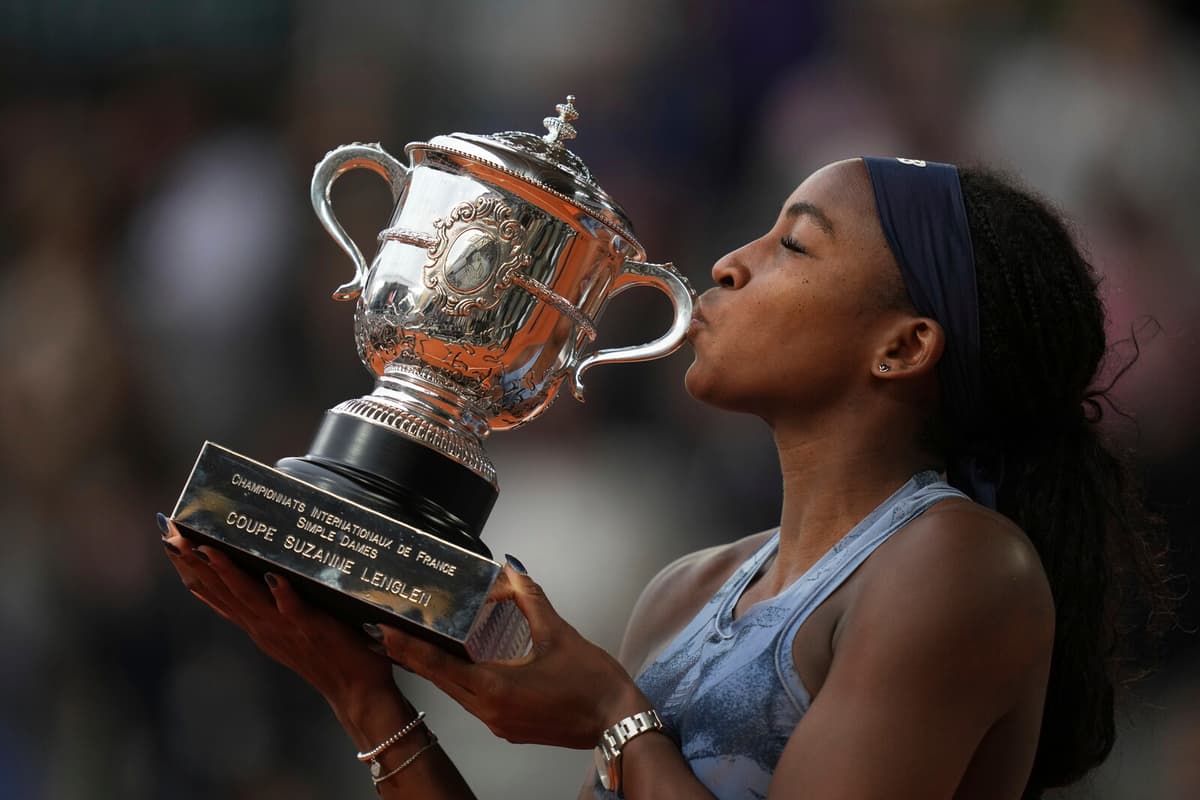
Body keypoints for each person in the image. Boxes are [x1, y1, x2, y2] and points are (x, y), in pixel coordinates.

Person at [161, 156, 1169, 799]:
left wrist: (611, 709)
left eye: (793, 244)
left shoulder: (959, 566)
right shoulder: (689, 590)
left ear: (903, 346)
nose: (729, 263)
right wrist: (364, 695)